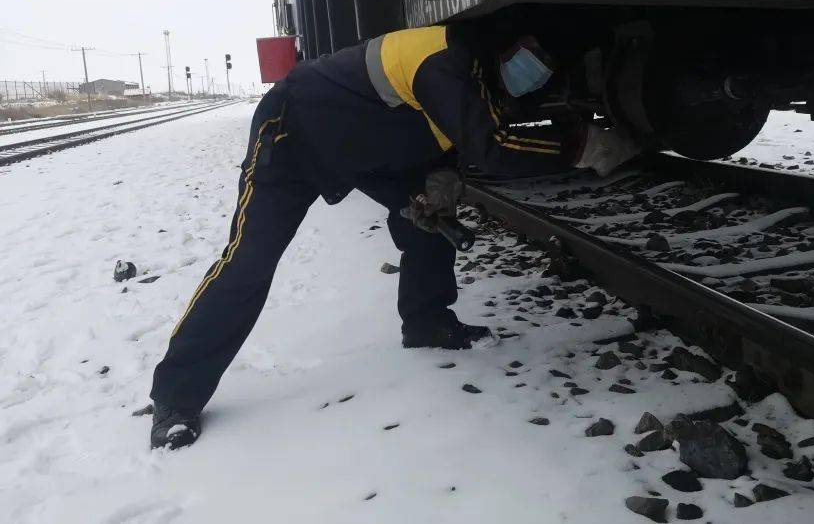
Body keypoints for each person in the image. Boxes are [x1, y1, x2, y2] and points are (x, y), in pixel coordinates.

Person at [149, 25, 639, 449]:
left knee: (427, 218)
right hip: (294, 135)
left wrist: (441, 177)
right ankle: (176, 398)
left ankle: (426, 323)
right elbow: (490, 147)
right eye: (529, 55)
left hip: (373, 147)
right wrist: (579, 146)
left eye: (543, 66)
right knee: (248, 262)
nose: (533, 69)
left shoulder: (483, 86)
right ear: (504, 48)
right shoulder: (441, 59)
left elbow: (450, 132)